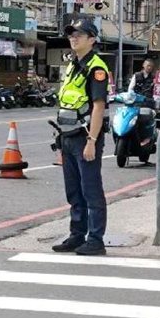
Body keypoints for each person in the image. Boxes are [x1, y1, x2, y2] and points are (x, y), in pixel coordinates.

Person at [51, 17, 110, 255]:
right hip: (68, 136)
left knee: (91, 190)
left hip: (85, 137)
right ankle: (77, 235)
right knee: (74, 191)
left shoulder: (96, 68)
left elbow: (98, 107)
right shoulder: (74, 65)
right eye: (71, 34)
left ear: (92, 39)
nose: (73, 38)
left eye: (79, 34)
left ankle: (96, 239)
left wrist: (92, 141)